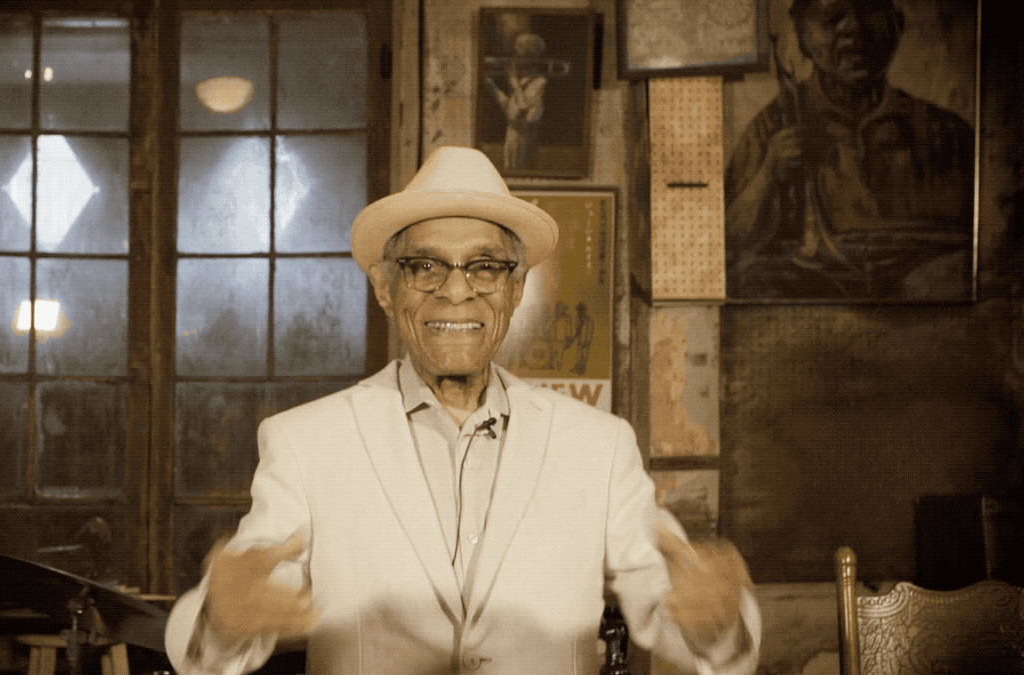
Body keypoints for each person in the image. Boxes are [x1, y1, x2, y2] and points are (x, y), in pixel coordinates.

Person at [165, 146, 761, 675]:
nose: (456, 290)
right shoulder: (305, 442)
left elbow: (675, 602)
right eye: (424, 266)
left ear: (515, 288)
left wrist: (717, 625)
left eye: (485, 266)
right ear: (385, 287)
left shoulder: (598, 446)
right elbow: (235, 614)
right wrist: (220, 623)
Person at [724, 0, 975, 299]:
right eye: (832, 17)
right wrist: (769, 171)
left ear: (897, 25)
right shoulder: (774, 126)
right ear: (801, 35)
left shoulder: (945, 133)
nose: (853, 28)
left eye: (868, 10)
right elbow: (725, 242)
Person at [486, 33, 548, 169]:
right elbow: (509, 107)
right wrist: (492, 87)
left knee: (519, 168)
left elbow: (523, 108)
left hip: (524, 138)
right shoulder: (521, 82)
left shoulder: (539, 82)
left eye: (520, 47)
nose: (514, 52)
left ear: (530, 55)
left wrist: (513, 81)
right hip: (512, 135)